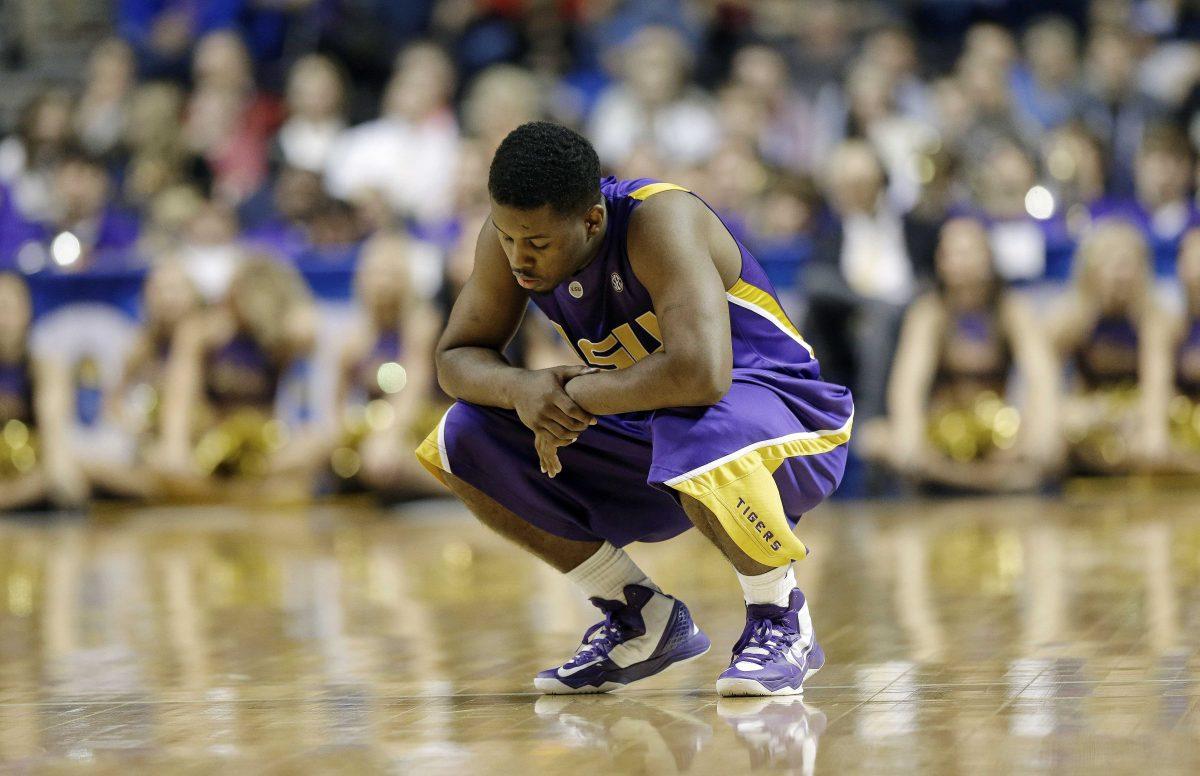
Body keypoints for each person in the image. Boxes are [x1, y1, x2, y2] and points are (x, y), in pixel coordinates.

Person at [415, 123, 853, 697]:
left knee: (691, 421)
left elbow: (700, 374)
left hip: (790, 419)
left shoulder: (660, 220)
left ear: (591, 220)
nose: (519, 257)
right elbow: (453, 358)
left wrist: (570, 396)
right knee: (460, 435)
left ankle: (779, 615)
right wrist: (523, 390)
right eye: (506, 237)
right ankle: (638, 614)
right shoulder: (512, 238)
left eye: (538, 244)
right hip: (659, 433)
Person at [863, 218, 1060, 492]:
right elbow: (908, 384)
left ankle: (979, 480)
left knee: (1053, 442)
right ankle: (988, 482)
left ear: (990, 257)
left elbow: (1042, 377)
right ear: (939, 262)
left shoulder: (1012, 310)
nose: (963, 263)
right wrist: (911, 436)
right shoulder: (930, 313)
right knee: (877, 440)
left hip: (1000, 438)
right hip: (941, 441)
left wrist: (1040, 431)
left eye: (971, 252)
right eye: (953, 253)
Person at [157, 254, 320, 499]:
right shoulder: (203, 334)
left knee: (305, 462)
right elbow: (179, 399)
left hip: (266, 451)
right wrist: (175, 447)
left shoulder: (282, 338)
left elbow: (307, 330)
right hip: (209, 447)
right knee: (166, 469)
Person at [1049, 219, 1168, 474]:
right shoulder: (1068, 320)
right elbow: (1045, 392)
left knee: (1151, 447)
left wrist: (1145, 424)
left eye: (1128, 265)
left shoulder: (1152, 320)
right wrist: (1079, 413)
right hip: (1089, 421)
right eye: (1111, 263)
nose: (1120, 275)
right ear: (1091, 269)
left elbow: (1157, 392)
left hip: (1134, 421)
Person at [328, 232, 442, 497]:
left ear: (406, 280)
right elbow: (338, 402)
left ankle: (466, 493)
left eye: (391, 273)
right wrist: (339, 439)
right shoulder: (352, 337)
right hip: (372, 432)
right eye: (375, 273)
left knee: (383, 462)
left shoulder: (421, 324)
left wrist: (389, 436)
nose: (382, 283)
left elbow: (413, 390)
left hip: (418, 428)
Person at [0, 272, 85, 510]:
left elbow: (58, 464)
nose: (2, 320)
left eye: (7, 309)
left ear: (26, 313)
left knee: (66, 477)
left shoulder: (44, 369)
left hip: (32, 484)